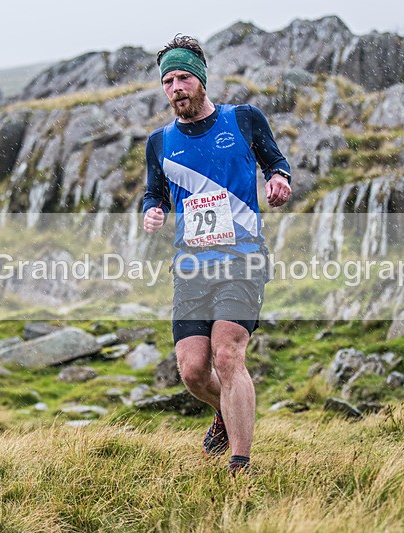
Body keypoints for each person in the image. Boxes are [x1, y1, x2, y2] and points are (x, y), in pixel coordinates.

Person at [142, 35, 292, 475]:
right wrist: (152, 210)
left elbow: (275, 162)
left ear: (201, 80)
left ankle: (240, 465)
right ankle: (226, 413)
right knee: (191, 371)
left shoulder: (243, 119)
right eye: (167, 81)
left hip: (242, 258)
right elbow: (154, 193)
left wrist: (279, 180)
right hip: (191, 266)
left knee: (227, 356)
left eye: (183, 77)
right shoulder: (159, 142)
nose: (175, 87)